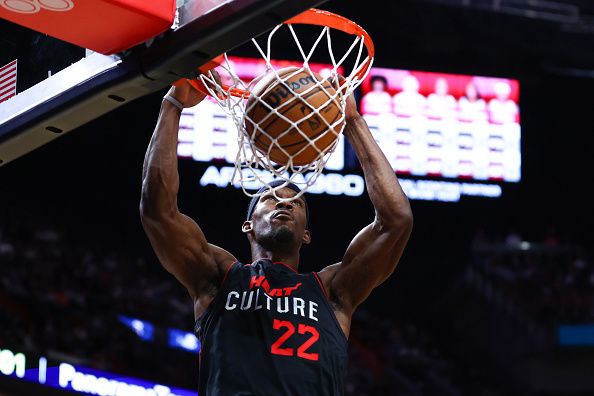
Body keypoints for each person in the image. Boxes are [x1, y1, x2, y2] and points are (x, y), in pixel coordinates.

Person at [139, 72, 413, 395]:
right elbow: (158, 210)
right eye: (270, 198)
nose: (284, 203)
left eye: (295, 202)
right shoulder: (219, 278)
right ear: (248, 226)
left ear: (306, 235)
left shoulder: (333, 292)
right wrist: (171, 105)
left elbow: (396, 220)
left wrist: (352, 121)